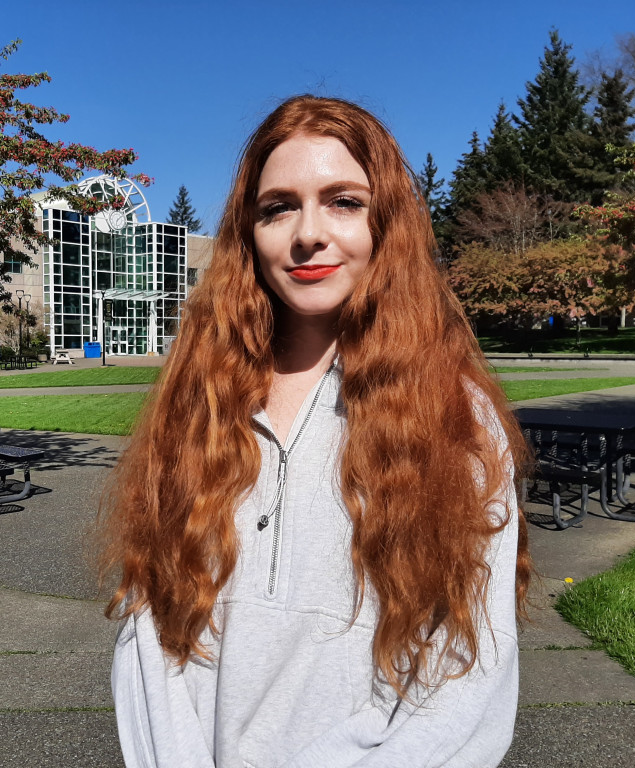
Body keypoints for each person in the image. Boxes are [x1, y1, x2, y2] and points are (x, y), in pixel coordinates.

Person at [99, 94, 532, 768]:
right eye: (278, 207)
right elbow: (149, 631)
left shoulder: (457, 420)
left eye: (343, 201)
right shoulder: (199, 406)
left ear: (385, 223)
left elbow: (469, 675)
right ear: (250, 232)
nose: (308, 233)